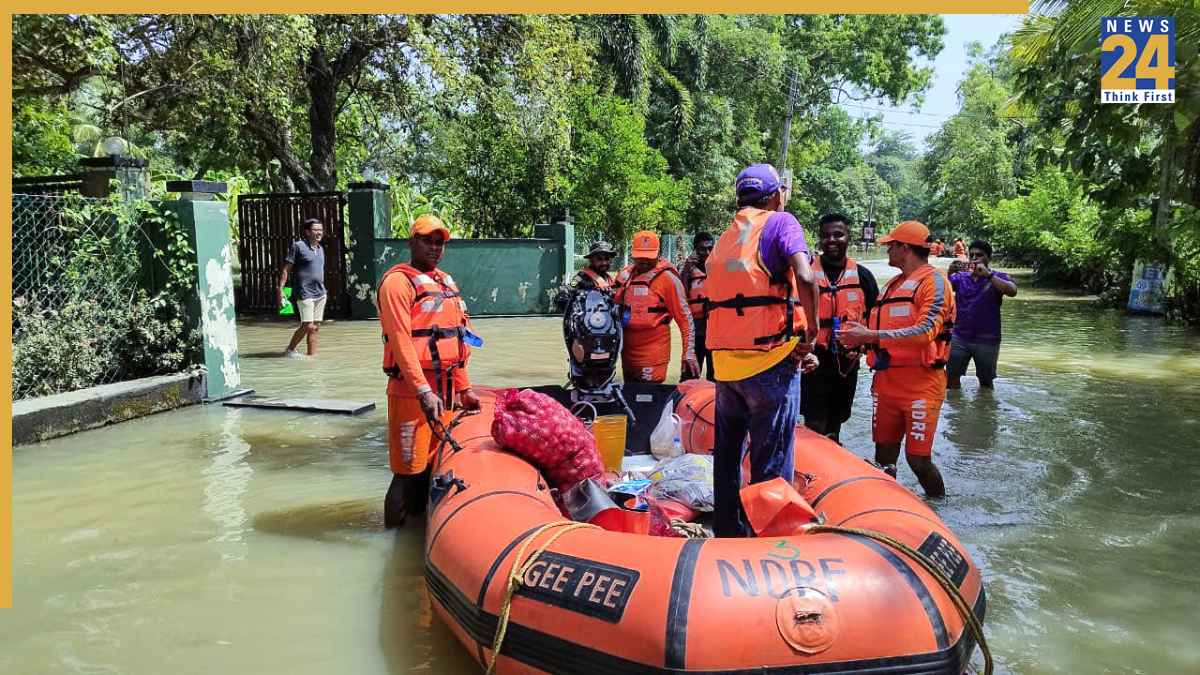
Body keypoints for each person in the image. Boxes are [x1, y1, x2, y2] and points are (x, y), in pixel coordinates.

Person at [706, 164, 820, 537]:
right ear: (776, 196)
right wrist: (813, 332)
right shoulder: (780, 221)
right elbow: (804, 275)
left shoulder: (727, 236)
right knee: (771, 464)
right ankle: (768, 548)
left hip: (725, 368)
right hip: (770, 363)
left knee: (727, 459)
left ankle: (726, 532)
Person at [837, 220, 956, 497]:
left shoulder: (934, 282)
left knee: (918, 460)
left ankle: (939, 508)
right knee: (883, 458)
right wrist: (857, 344)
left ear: (904, 248)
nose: (887, 250)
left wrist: (869, 337)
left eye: (890, 245)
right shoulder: (892, 285)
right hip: (886, 384)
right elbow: (878, 329)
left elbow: (927, 330)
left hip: (921, 386)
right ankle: (887, 505)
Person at [377, 215, 482, 528]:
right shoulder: (397, 283)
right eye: (428, 240)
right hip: (412, 393)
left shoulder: (445, 282)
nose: (435, 247)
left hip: (446, 392)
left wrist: (464, 389)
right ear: (412, 242)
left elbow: (459, 337)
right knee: (405, 474)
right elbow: (401, 342)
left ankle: (417, 535)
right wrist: (422, 390)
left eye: (440, 242)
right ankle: (392, 548)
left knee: (429, 468)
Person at [801, 213, 879, 444]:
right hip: (812, 358)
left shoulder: (863, 277)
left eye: (838, 234)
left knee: (837, 419)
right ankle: (813, 463)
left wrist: (868, 347)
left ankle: (832, 453)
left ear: (849, 237)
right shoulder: (805, 273)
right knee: (814, 420)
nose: (832, 240)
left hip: (847, 360)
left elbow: (876, 319)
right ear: (819, 239)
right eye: (826, 236)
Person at [613, 230, 700, 383]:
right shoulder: (624, 276)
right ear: (633, 254)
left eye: (649, 256)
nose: (644, 261)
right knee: (629, 396)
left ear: (657, 254)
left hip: (653, 353)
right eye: (640, 256)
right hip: (627, 352)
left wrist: (688, 354)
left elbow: (685, 319)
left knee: (647, 397)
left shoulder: (668, 279)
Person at [947, 239, 1017, 390]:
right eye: (971, 255)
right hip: (959, 336)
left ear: (989, 258)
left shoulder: (999, 277)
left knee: (986, 383)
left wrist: (988, 275)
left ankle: (985, 412)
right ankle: (956, 413)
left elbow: (1012, 291)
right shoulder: (960, 277)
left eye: (979, 255)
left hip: (987, 339)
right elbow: (941, 291)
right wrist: (949, 272)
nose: (974, 258)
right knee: (951, 379)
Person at [278, 218, 327, 358]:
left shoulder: (320, 249)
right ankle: (289, 350)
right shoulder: (298, 246)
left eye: (321, 230)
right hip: (305, 292)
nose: (319, 232)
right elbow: (286, 269)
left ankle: (312, 358)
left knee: (314, 328)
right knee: (307, 324)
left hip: (321, 293)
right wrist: (280, 290)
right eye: (315, 230)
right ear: (307, 231)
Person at [680, 232, 715, 381]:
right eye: (702, 249)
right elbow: (680, 294)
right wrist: (687, 268)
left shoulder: (719, 267)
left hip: (716, 329)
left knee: (716, 376)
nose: (707, 253)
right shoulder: (689, 270)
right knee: (690, 375)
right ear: (695, 250)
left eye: (710, 249)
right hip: (696, 329)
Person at [553, 241, 617, 311]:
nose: (604, 262)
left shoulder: (612, 279)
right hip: (588, 317)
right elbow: (569, 288)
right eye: (599, 259)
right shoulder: (581, 277)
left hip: (610, 318)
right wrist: (563, 295)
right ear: (591, 260)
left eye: (607, 259)